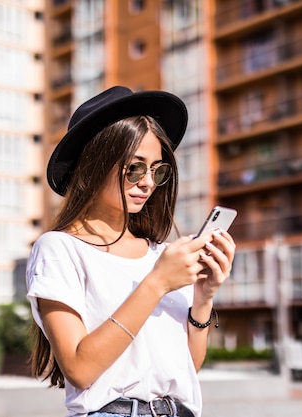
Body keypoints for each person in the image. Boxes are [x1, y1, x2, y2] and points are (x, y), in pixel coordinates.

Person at [26, 86, 235, 417]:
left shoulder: (160, 256)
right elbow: (79, 368)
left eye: (158, 170)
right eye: (135, 167)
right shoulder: (59, 249)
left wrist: (203, 299)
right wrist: (156, 284)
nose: (148, 182)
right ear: (94, 165)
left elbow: (186, 369)